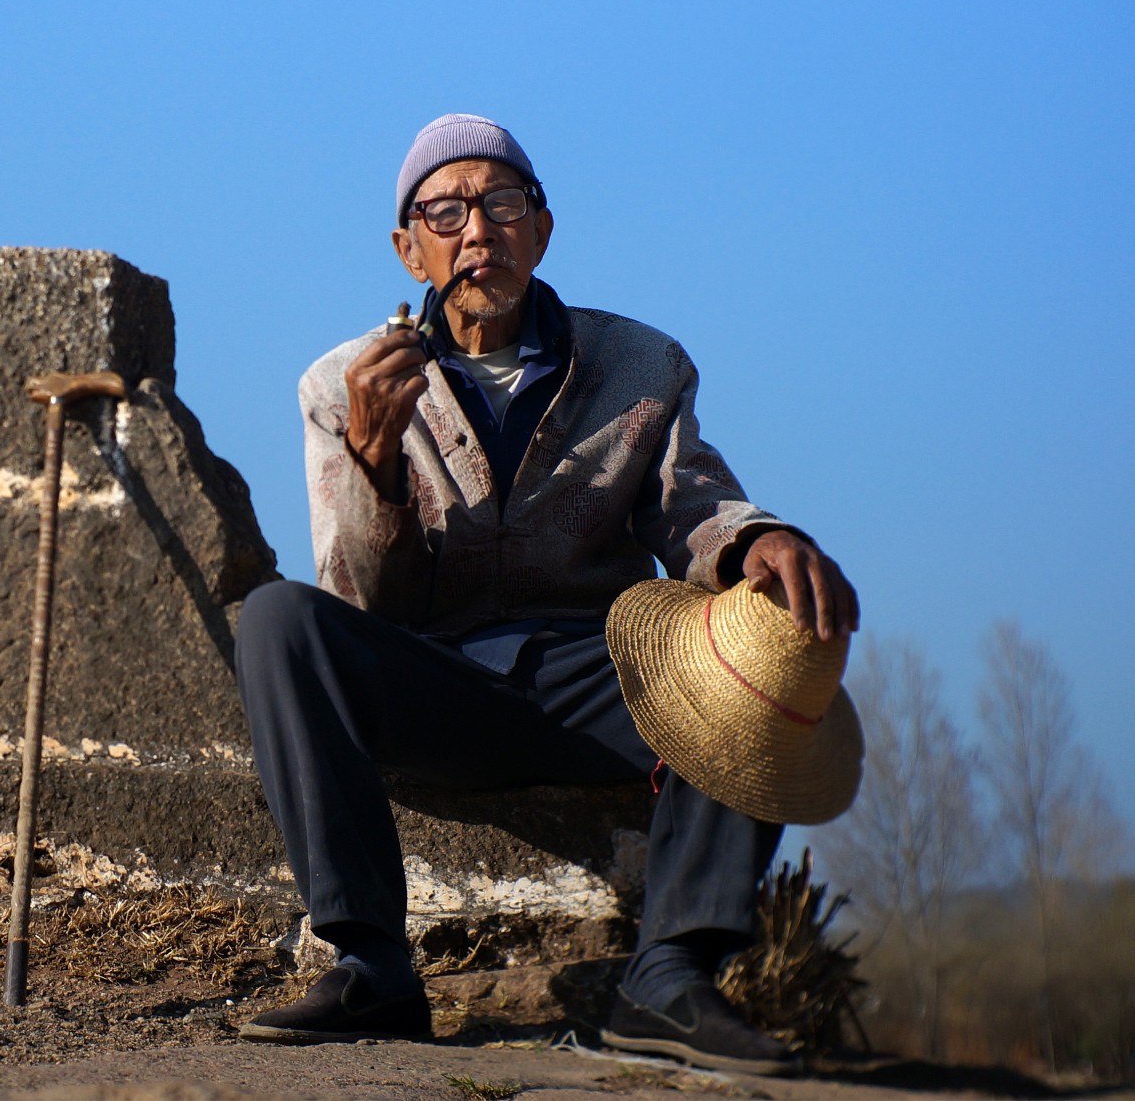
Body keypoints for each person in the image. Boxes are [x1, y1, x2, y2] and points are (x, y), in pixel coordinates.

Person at [233, 114, 860, 1074]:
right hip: (436, 682)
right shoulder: (343, 383)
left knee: (762, 642)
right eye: (444, 212)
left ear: (543, 228)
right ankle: (370, 964)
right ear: (408, 251)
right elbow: (361, 605)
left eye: (502, 203)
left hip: (597, 680)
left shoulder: (641, 367)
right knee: (278, 618)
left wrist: (757, 539)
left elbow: (691, 503)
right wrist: (372, 459)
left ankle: (672, 976)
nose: (477, 230)